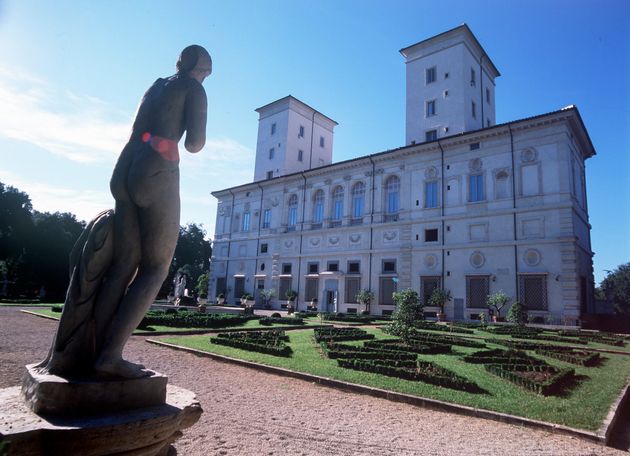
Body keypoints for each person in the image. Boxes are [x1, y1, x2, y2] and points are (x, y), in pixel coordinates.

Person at [91, 45, 212, 378]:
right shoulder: (194, 88)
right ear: (200, 68)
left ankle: (90, 348)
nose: (206, 78)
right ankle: (110, 356)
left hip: (125, 165)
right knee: (156, 268)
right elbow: (194, 143)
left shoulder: (156, 84)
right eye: (206, 73)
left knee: (122, 266)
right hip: (157, 169)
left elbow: (136, 127)